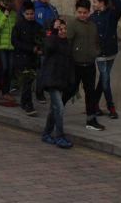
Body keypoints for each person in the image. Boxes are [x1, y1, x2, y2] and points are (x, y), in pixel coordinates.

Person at [65, 0, 105, 131]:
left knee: (90, 93)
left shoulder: (93, 25)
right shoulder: (72, 24)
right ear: (76, 11)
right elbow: (67, 43)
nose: (82, 15)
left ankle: (91, 120)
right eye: (80, 12)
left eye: (85, 12)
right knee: (70, 90)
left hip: (89, 64)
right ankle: (56, 109)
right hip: (76, 65)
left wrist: (96, 52)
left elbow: (96, 42)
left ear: (89, 12)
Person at [40, 19, 74, 149]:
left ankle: (46, 133)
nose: (63, 31)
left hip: (61, 80)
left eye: (65, 28)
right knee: (59, 108)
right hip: (51, 79)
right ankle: (59, 136)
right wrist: (54, 32)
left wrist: (71, 80)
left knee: (54, 109)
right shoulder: (52, 40)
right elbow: (48, 47)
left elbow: (69, 63)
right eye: (60, 29)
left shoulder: (67, 44)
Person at [91, 0, 121, 119]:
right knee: (105, 80)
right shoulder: (92, 17)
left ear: (102, 3)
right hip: (99, 54)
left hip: (111, 51)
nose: (93, 4)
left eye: (95, 1)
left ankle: (94, 105)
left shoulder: (111, 14)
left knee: (103, 80)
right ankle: (111, 108)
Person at [12, 0, 44, 116]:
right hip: (22, 58)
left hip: (33, 59)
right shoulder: (18, 26)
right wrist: (30, 48)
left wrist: (40, 49)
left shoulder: (38, 26)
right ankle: (29, 105)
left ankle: (23, 101)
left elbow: (42, 40)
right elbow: (15, 42)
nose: (30, 16)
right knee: (26, 81)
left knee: (29, 82)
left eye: (32, 14)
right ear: (23, 14)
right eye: (28, 14)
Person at [0, 0, 18, 104]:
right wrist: (5, 15)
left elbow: (15, 27)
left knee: (10, 68)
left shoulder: (14, 12)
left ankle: (6, 91)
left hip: (11, 45)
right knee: (3, 68)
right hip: (0, 45)